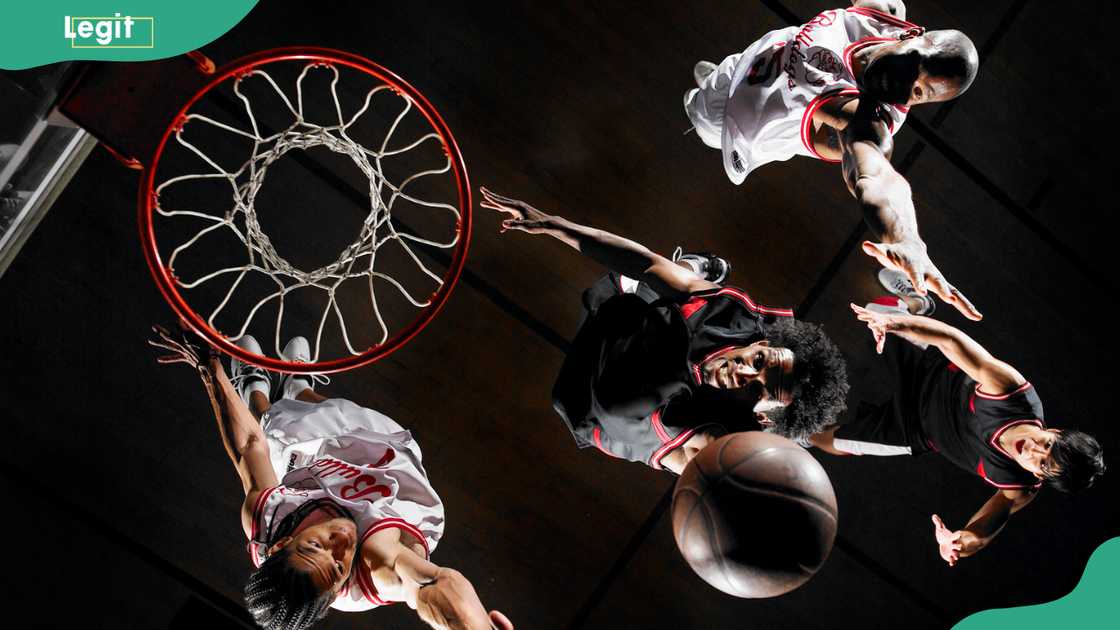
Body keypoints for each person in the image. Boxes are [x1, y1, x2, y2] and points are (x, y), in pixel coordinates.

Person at [149, 326, 513, 630]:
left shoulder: (265, 522)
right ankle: (292, 388)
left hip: (314, 478)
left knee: (273, 432)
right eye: (338, 566)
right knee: (337, 417)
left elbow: (247, 447)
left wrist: (208, 367)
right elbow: (429, 586)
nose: (340, 541)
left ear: (280, 545)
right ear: (339, 585)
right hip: (388, 479)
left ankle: (261, 389)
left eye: (315, 545)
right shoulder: (375, 568)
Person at [480, 187, 848, 474]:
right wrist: (553, 224)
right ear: (763, 341)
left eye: (758, 386)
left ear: (762, 412)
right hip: (633, 328)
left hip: (612, 410)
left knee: (586, 401)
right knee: (656, 285)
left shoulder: (726, 434)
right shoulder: (730, 317)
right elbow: (644, 261)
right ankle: (696, 267)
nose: (745, 372)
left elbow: (822, 438)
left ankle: (690, 274)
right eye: (759, 359)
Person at [685, 0, 982, 321]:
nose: (905, 84)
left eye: (919, 92)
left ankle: (699, 98)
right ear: (912, 35)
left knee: (699, 112)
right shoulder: (884, 12)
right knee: (725, 72)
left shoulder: (868, 117)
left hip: (732, 122)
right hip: (758, 59)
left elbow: (876, 174)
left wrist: (906, 238)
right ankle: (716, 76)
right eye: (915, 63)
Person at [807, 286, 1106, 566]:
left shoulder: (1020, 487)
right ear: (1054, 432)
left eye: (1040, 463)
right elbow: (951, 340)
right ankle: (916, 301)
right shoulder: (1015, 395)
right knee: (878, 307)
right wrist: (896, 324)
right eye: (1048, 444)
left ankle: (791, 428)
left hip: (918, 429)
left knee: (827, 441)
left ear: (1038, 475)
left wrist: (960, 542)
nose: (1033, 450)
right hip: (930, 370)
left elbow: (988, 526)